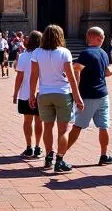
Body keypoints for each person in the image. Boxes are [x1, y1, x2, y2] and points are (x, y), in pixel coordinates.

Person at [29, 24, 84, 172]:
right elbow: (72, 78)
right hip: (63, 94)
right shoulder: (64, 52)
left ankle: (48, 157)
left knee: (47, 127)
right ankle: (59, 160)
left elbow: (33, 77)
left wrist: (31, 95)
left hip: (44, 93)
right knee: (64, 130)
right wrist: (77, 97)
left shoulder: (37, 53)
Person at [65, 27, 112, 165]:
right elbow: (106, 72)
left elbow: (77, 70)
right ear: (97, 38)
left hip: (88, 95)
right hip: (103, 94)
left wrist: (76, 93)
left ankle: (60, 155)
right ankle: (104, 155)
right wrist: (111, 70)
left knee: (78, 126)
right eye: (103, 36)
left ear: (89, 37)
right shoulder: (104, 53)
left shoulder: (86, 53)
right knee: (104, 126)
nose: (104, 38)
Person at [12, 30, 41, 156]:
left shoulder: (24, 56)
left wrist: (15, 93)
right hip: (41, 92)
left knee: (27, 120)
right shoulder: (44, 55)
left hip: (25, 93)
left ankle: (29, 147)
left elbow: (19, 76)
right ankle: (38, 147)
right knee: (40, 121)